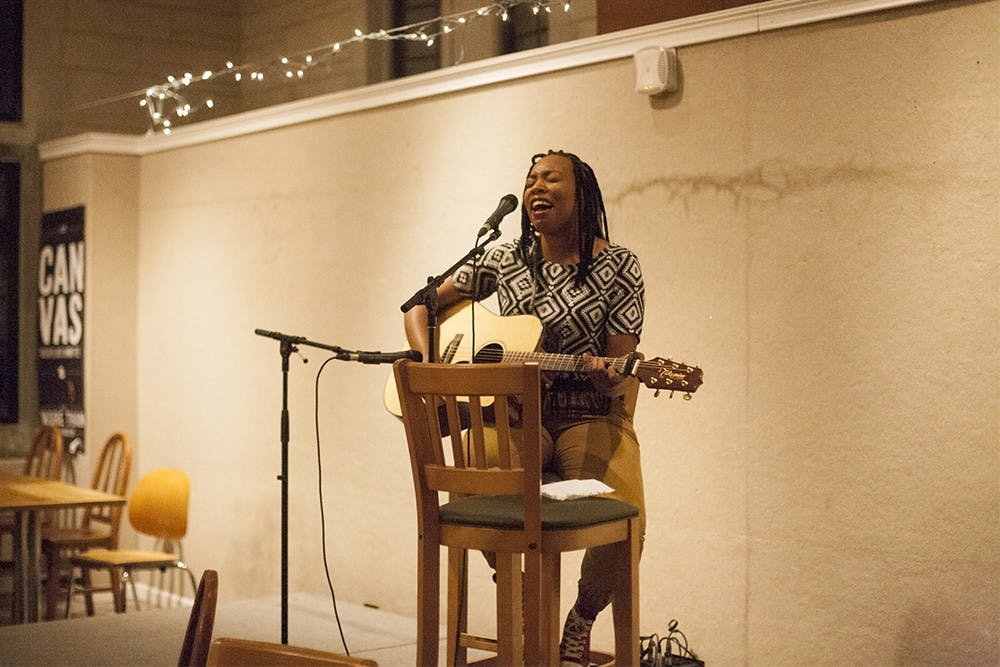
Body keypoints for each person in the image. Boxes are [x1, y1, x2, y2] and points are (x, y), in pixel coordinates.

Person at [403, 150, 645, 666]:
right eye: (531, 178)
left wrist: (608, 377)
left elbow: (622, 369)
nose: (537, 186)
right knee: (477, 475)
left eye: (551, 178)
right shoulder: (502, 258)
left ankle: (580, 618)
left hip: (589, 412)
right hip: (515, 413)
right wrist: (432, 364)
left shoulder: (619, 265)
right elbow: (419, 306)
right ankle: (522, 610)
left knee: (630, 516)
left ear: (582, 194)